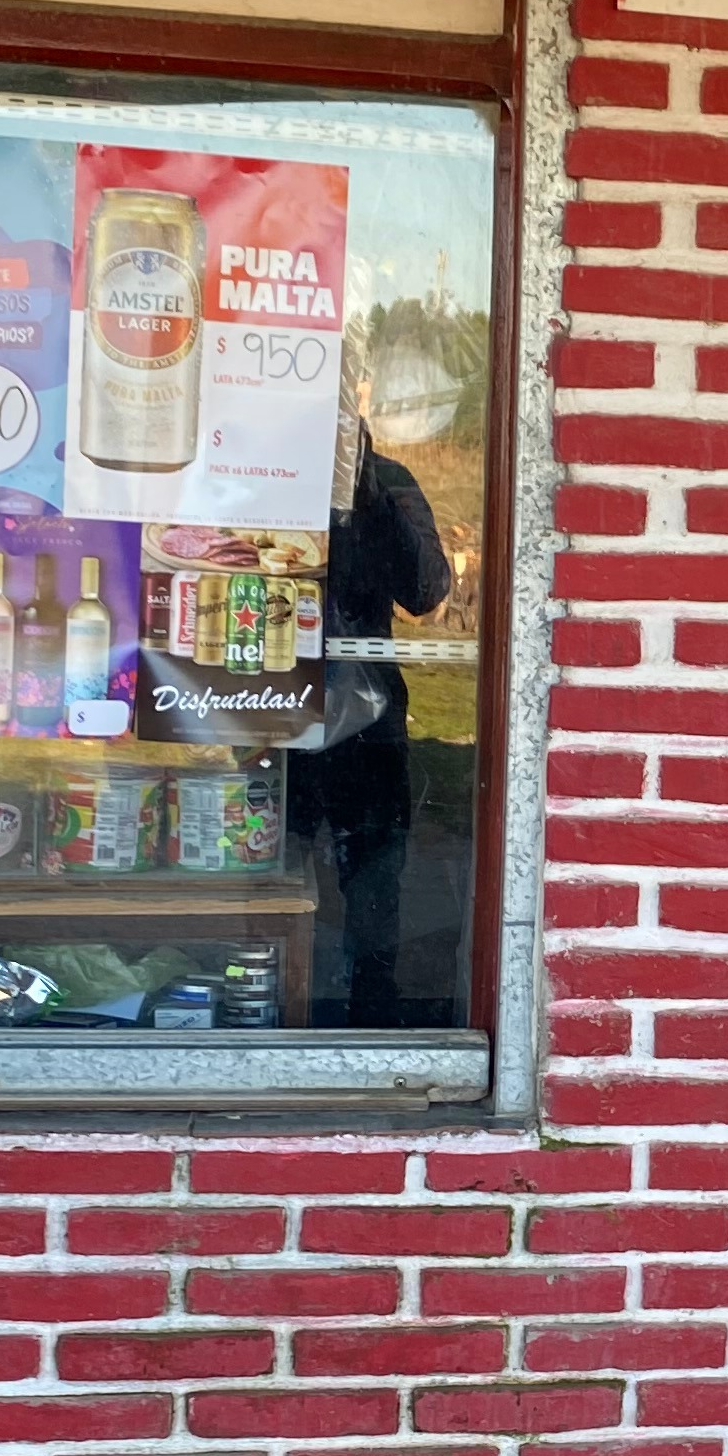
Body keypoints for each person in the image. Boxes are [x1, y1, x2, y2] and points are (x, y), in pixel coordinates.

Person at [288, 407, 451, 1021]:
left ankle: (370, 1006)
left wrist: (371, 494)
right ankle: (275, 999)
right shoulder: (268, 479)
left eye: (342, 436)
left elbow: (426, 589)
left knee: (374, 873)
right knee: (272, 862)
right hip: (272, 706)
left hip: (368, 716)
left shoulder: (388, 481)